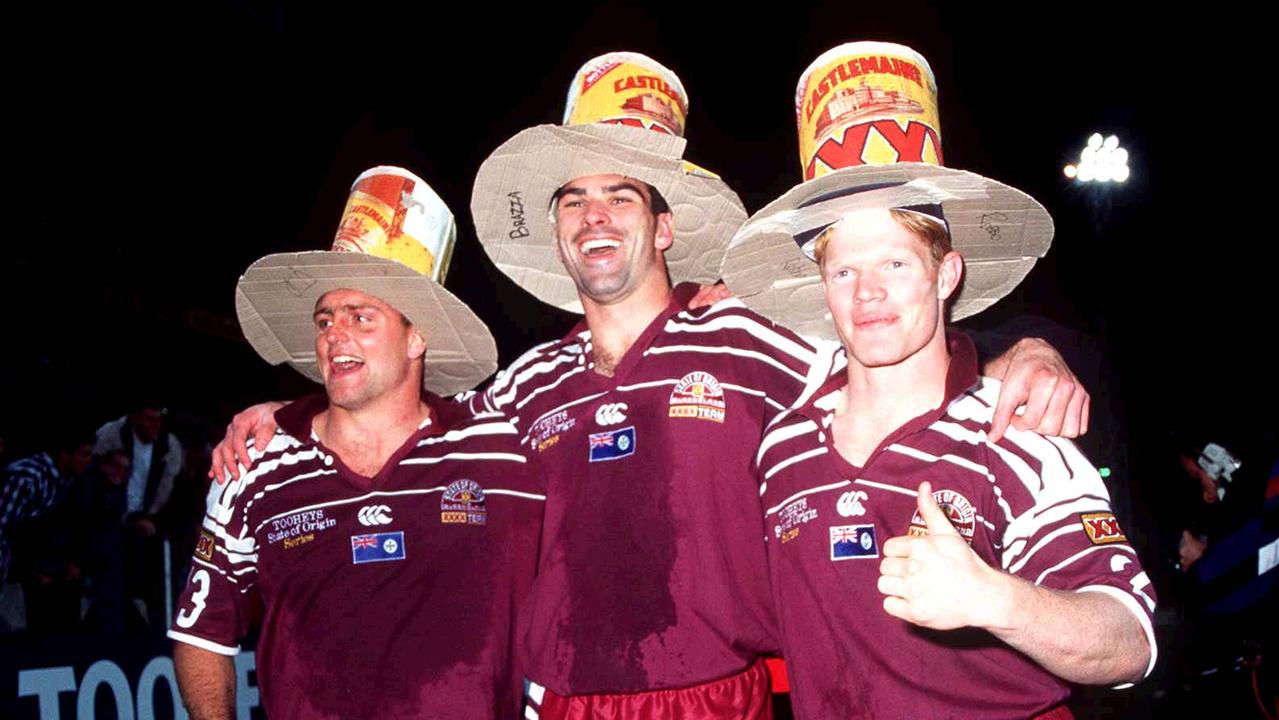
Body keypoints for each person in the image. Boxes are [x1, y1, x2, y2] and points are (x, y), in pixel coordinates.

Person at [210, 52, 1089, 718]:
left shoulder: (754, 334)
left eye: (620, 198)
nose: (594, 216)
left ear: (664, 228)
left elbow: (892, 347)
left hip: (723, 695)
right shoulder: (523, 388)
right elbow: (400, 419)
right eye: (573, 201)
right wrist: (287, 411)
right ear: (556, 234)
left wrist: (1023, 352)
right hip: (562, 700)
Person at [740, 42, 1154, 718]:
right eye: (844, 271)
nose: (867, 294)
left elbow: (1129, 641)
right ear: (822, 288)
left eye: (895, 265)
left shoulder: (1016, 431)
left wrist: (993, 599)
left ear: (946, 274)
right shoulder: (779, 446)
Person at [169, 168, 543, 720]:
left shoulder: (501, 444)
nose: (334, 334)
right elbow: (201, 634)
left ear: (417, 339)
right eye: (325, 320)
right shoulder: (256, 465)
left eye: (361, 317)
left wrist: (706, 293)